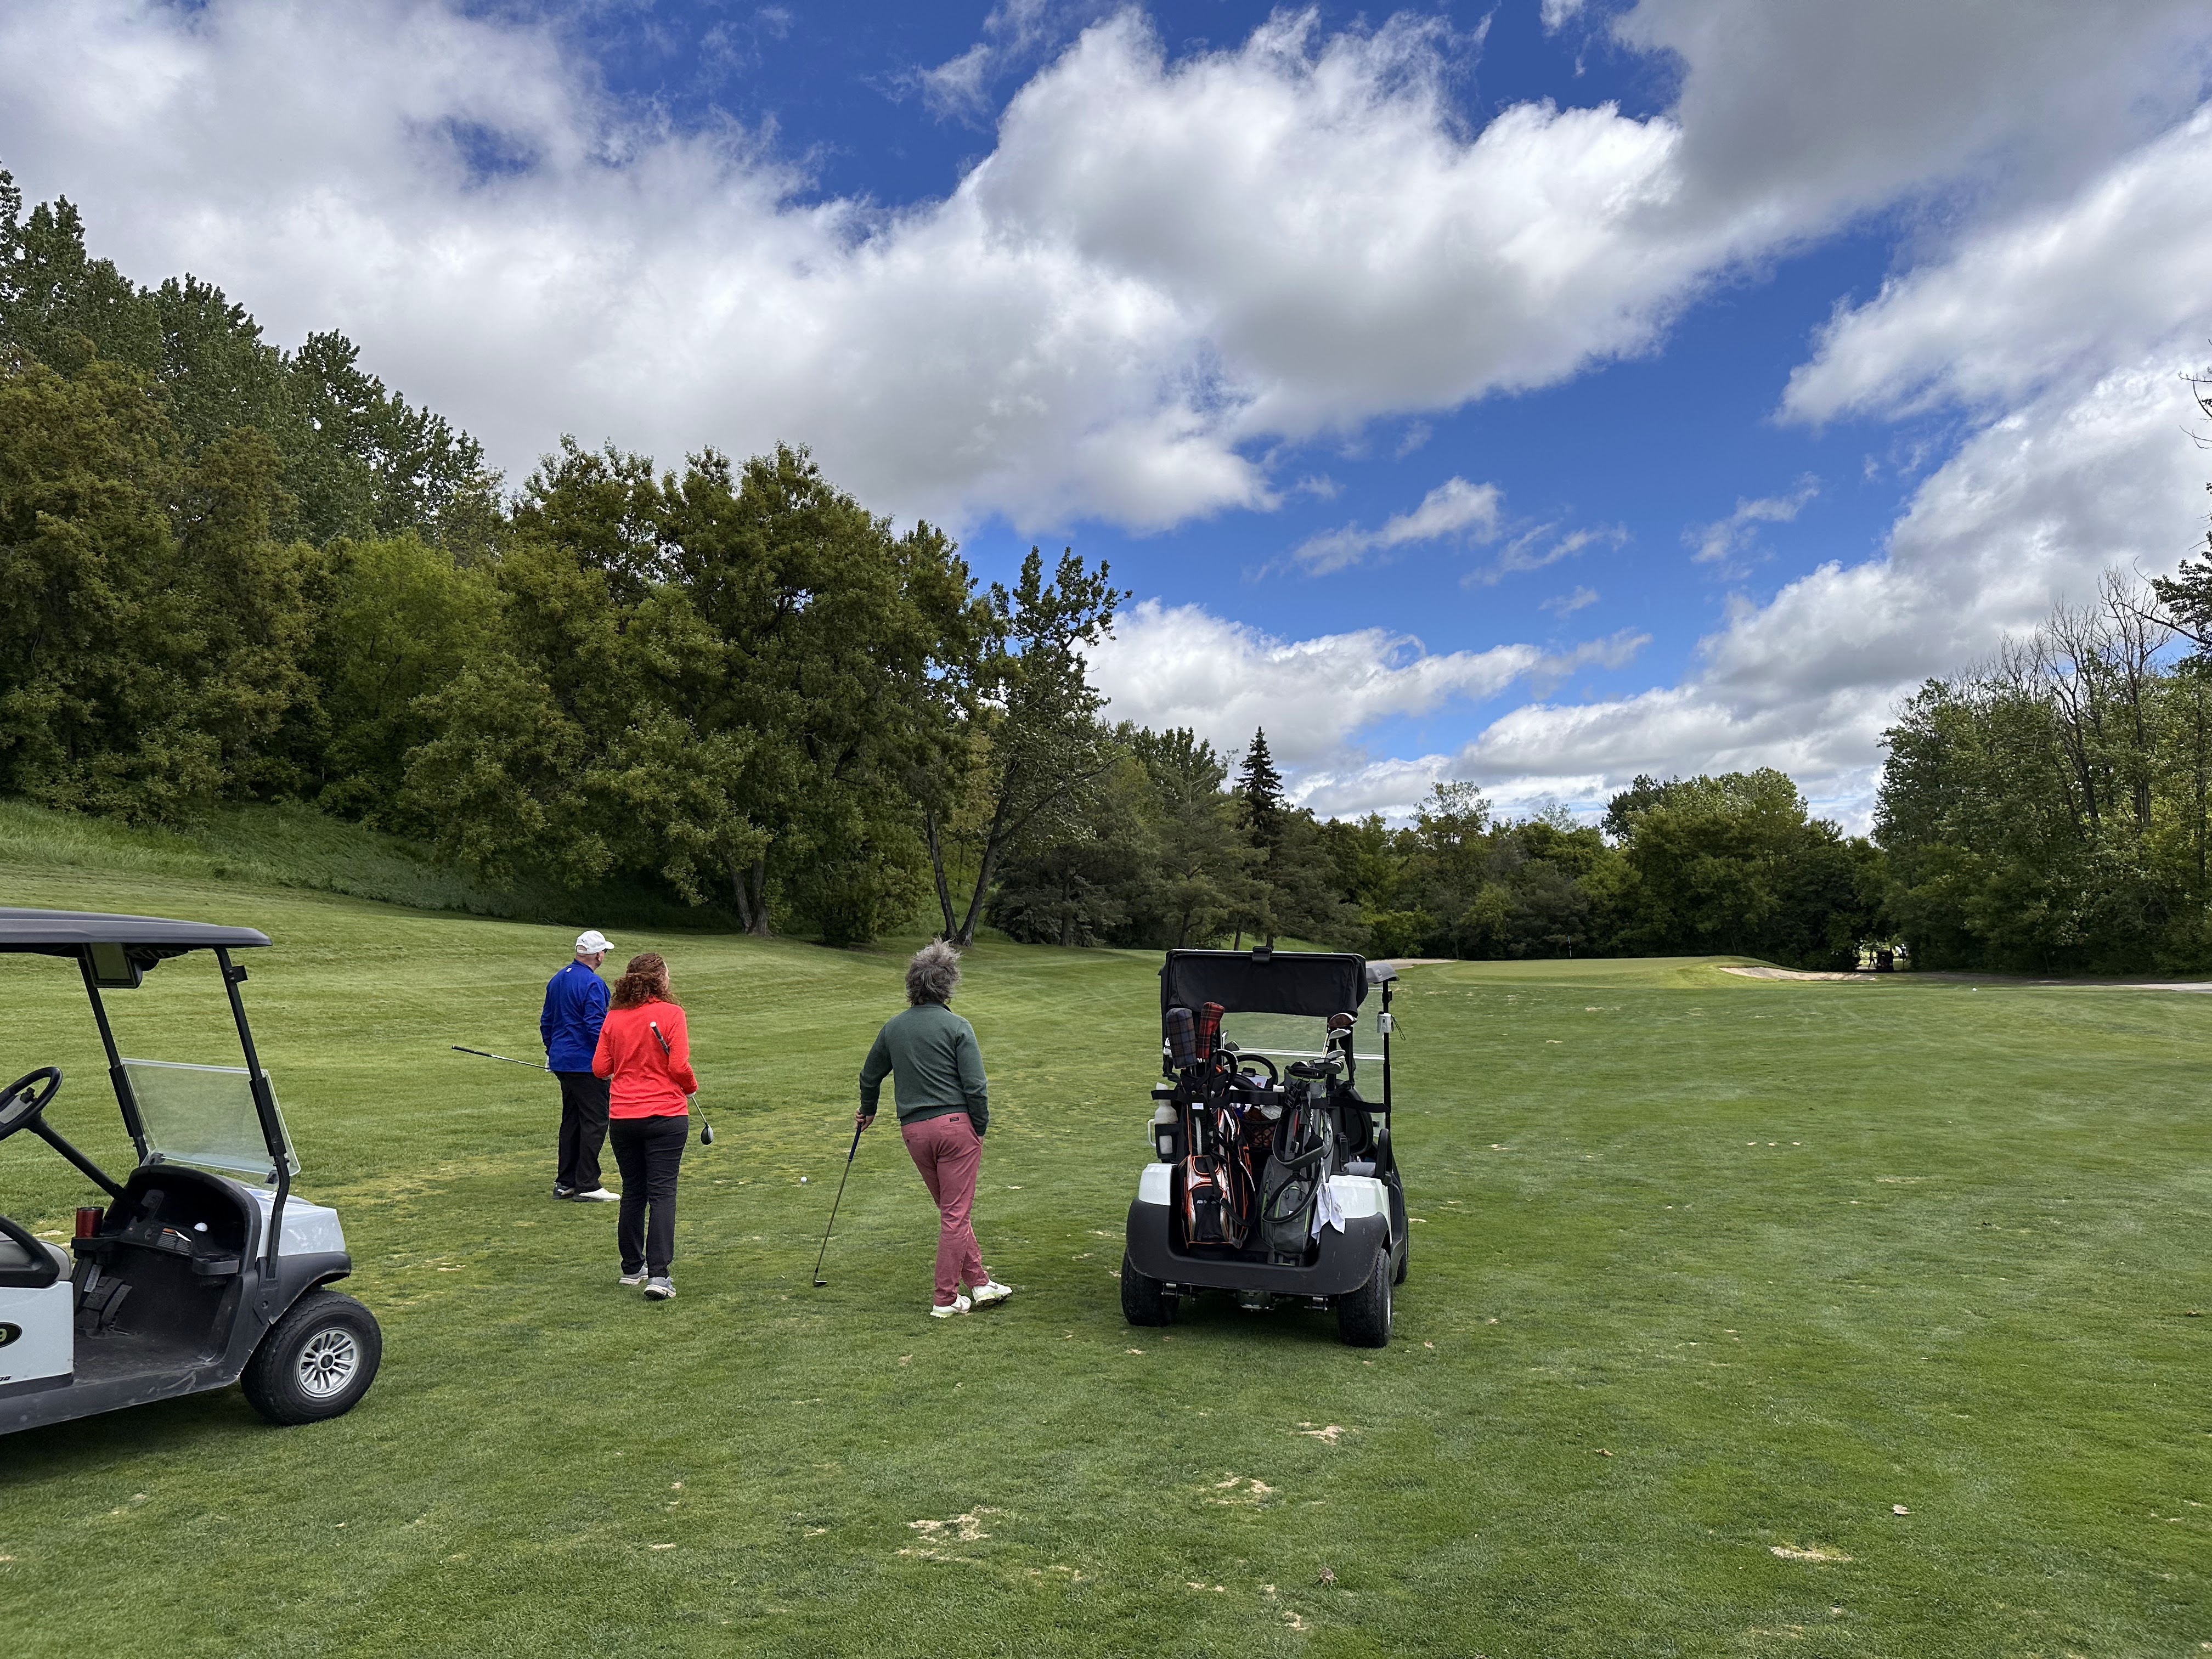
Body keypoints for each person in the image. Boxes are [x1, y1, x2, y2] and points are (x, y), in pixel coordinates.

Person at [857, 941, 1012, 1318]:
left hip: (914, 1132)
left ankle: (979, 1283)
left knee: (951, 1209)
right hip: (956, 1129)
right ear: (948, 984)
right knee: (955, 1214)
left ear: (913, 984)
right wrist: (980, 1127)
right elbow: (976, 1086)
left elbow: (870, 1076)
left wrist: (869, 1110)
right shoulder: (958, 1026)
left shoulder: (894, 1027)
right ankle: (945, 1299)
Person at [592, 951, 697, 1301]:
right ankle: (659, 1275)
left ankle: (632, 1268)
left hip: (624, 1117)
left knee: (635, 1190)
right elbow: (680, 1067)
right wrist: (691, 1086)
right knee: (662, 1192)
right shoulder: (672, 1014)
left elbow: (601, 1068)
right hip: (666, 1115)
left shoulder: (614, 1017)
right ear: (661, 980)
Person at [541, 929, 617, 1201]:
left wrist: (552, 1051)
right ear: (598, 955)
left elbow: (547, 1022)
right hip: (585, 1064)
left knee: (572, 1120)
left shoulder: (558, 979)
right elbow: (596, 1027)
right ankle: (587, 1184)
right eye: (604, 951)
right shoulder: (594, 984)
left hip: (562, 1061)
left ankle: (566, 1182)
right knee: (595, 1120)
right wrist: (610, 1058)